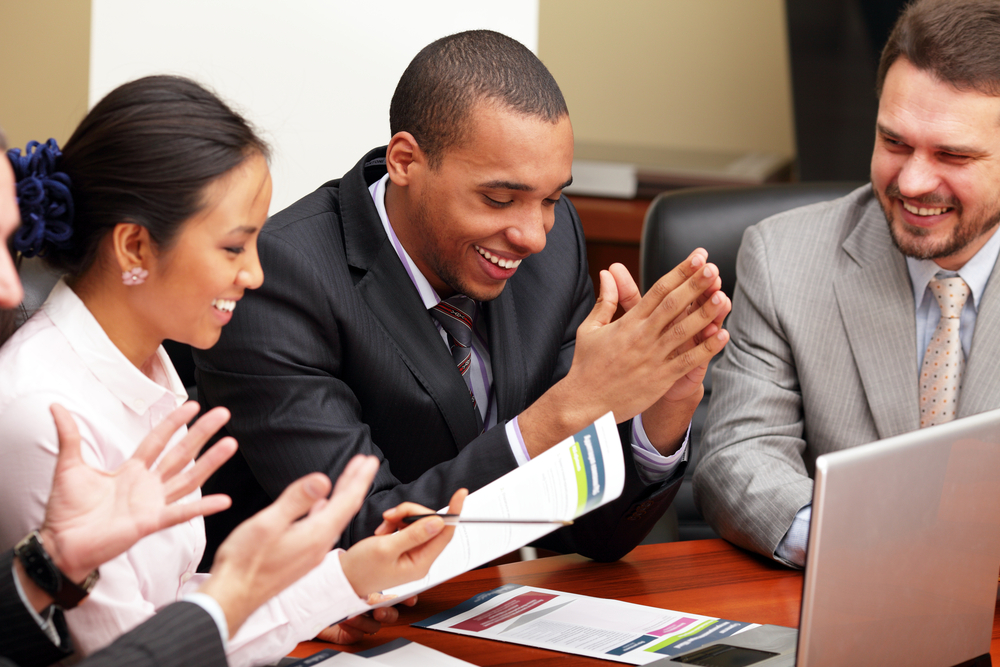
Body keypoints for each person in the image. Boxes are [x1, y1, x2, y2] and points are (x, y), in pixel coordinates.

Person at [195, 29, 732, 563]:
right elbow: (362, 540)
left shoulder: (556, 244)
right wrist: (567, 410)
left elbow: (587, 533)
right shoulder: (278, 279)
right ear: (405, 161)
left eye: (551, 198)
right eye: (500, 199)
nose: (534, 235)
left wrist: (660, 414)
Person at [0, 76, 464, 666]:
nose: (255, 275)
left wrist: (345, 576)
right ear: (136, 248)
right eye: (232, 248)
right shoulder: (38, 412)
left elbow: (166, 611)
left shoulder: (149, 364)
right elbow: (129, 651)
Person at [693, 0, 1000, 568]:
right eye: (894, 143)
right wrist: (857, 545)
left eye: (952, 155)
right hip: (844, 605)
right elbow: (737, 456)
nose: (911, 181)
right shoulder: (784, 259)